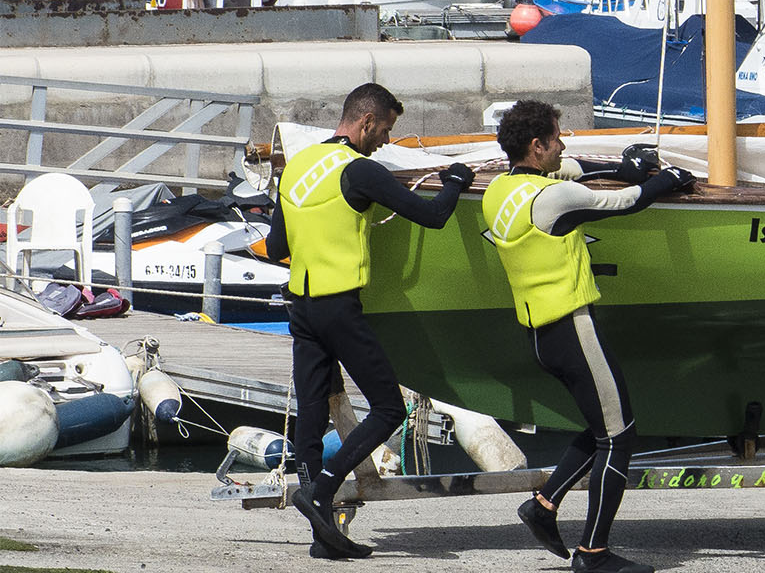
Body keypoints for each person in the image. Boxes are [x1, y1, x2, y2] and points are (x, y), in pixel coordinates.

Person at [485, 100, 696, 573]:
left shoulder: (500, 190)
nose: (563, 146)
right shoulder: (552, 199)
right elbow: (624, 202)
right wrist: (669, 179)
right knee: (620, 437)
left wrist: (621, 166)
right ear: (537, 146)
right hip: (574, 329)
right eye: (557, 139)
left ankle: (542, 506)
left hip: (541, 335)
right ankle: (593, 554)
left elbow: (575, 170)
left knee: (601, 427)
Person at [273, 82, 475, 559]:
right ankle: (322, 490)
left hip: (301, 309)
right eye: (385, 130)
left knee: (311, 411)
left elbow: (279, 247)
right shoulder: (359, 171)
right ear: (365, 122)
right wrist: (457, 181)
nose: (385, 139)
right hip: (339, 308)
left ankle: (321, 535)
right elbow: (432, 216)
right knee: (390, 409)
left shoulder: (295, 166)